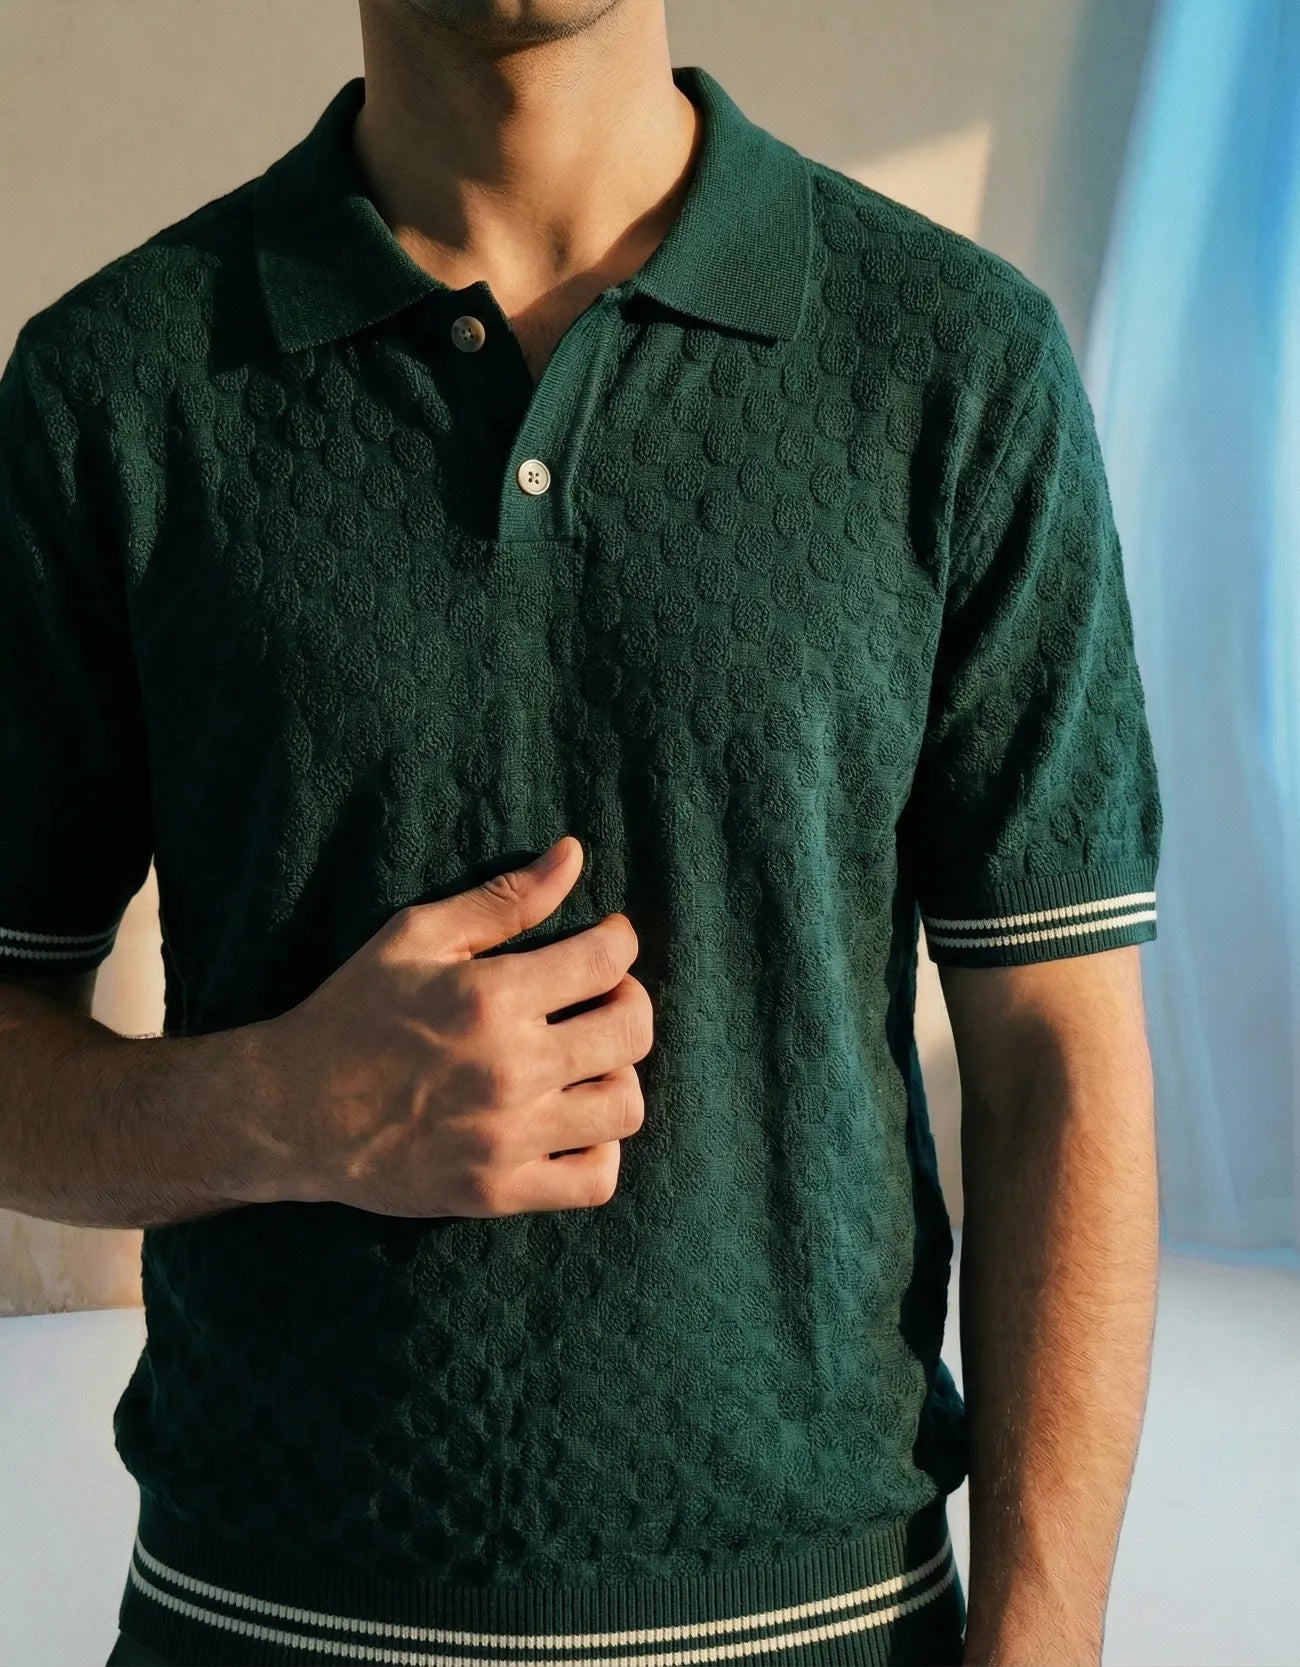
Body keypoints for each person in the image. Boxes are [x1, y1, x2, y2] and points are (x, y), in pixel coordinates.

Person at [0, 2, 1163, 1664]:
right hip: (259, 1623)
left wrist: (1044, 1640)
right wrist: (280, 1111)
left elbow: (1060, 1047)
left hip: (833, 1627)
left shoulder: (957, 363)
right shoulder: (113, 386)